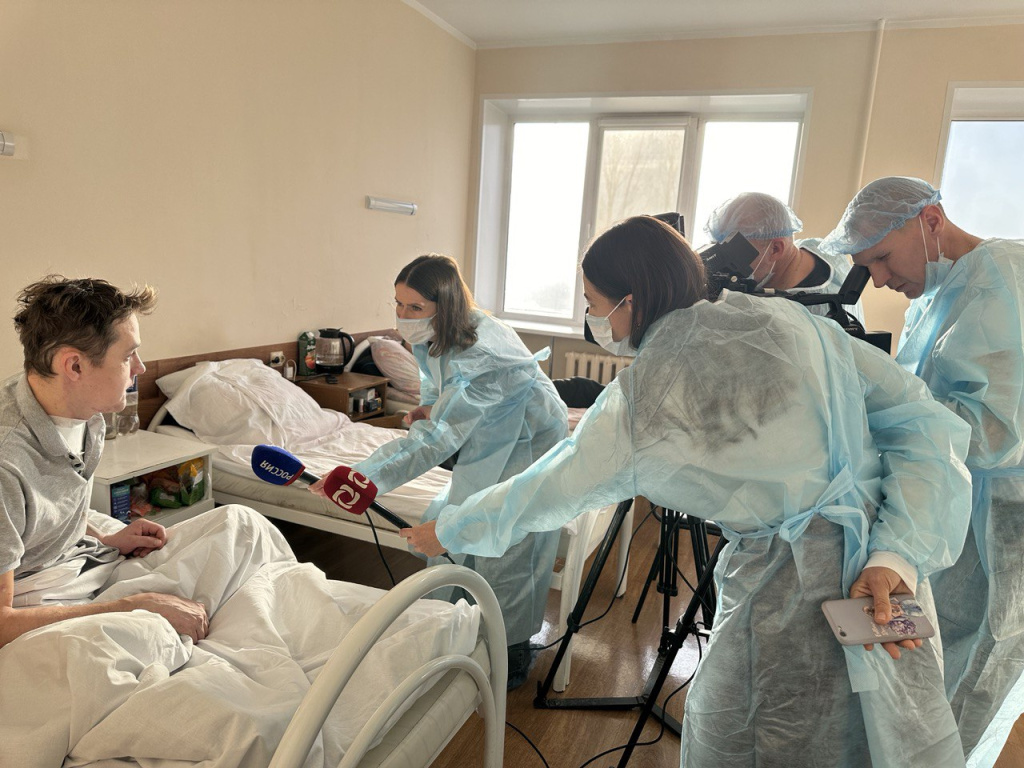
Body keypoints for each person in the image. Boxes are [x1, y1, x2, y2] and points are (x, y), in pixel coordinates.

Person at [401, 216, 974, 766]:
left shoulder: (646, 396)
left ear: (631, 302)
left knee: (761, 740)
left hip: (785, 600)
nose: (592, 318)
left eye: (594, 304)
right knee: (895, 738)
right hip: (882, 576)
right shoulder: (788, 323)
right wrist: (896, 553)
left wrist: (452, 526)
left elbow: (550, 486)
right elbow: (923, 422)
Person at [819, 176, 1024, 766]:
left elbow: (996, 431)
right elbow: (920, 401)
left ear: (931, 220)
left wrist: (886, 415)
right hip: (953, 508)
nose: (879, 279)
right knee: (929, 659)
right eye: (867, 266)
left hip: (1001, 516)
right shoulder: (935, 295)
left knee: (976, 665)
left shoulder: (1004, 278)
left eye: (883, 257)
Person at [313, 253, 568, 689]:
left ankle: (511, 654)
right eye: (398, 303)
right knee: (466, 516)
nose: (403, 315)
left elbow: (437, 438)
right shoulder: (435, 333)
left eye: (415, 307)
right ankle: (461, 626)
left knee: (510, 539)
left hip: (530, 436)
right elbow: (436, 385)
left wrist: (361, 477)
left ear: (445, 304)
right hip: (494, 431)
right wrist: (431, 406)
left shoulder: (480, 353)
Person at [0, 276, 294, 649]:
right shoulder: (7, 464)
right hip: (37, 596)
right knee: (144, 644)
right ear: (74, 366)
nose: (139, 367)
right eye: (127, 356)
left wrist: (105, 538)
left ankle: (289, 624)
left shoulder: (83, 411)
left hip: (84, 562)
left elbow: (45, 507)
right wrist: (133, 607)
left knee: (243, 525)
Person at [705, 191, 866, 323]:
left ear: (775, 249)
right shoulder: (813, 248)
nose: (725, 261)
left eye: (737, 252)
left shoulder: (807, 316)